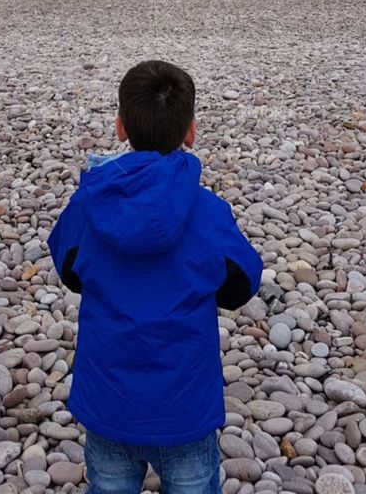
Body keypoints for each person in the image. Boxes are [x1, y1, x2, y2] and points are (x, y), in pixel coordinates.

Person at [48, 60, 263, 494]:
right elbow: (241, 285)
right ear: (191, 131)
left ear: (120, 127)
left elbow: (69, 270)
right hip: (184, 410)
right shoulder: (207, 212)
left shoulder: (88, 206)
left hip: (108, 405)